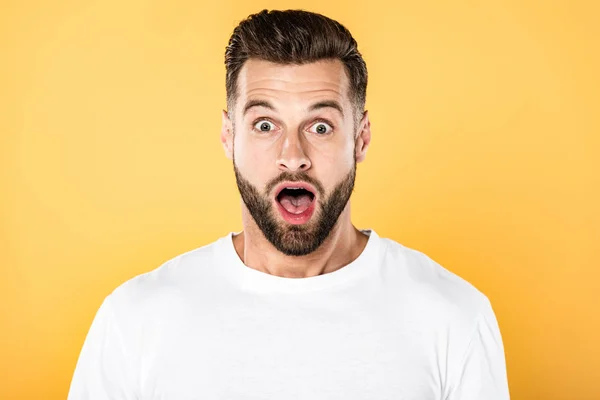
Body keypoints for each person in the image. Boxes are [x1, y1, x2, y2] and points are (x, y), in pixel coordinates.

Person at [68, 9, 510, 399]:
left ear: (361, 138)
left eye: (320, 127)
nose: (293, 154)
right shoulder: (135, 321)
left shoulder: (454, 318)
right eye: (265, 124)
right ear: (229, 136)